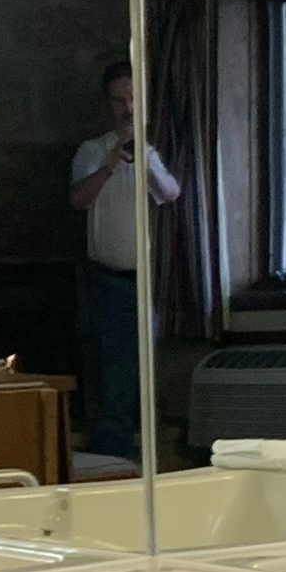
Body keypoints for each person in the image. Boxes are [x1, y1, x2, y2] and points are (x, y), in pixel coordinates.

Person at [70, 59, 177, 461]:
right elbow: (77, 200)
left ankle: (140, 454)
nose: (127, 108)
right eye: (119, 100)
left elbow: (171, 194)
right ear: (108, 104)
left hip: (144, 280)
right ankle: (112, 456)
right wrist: (109, 166)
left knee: (142, 371)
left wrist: (144, 162)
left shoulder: (148, 151)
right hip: (109, 279)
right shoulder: (91, 152)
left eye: (133, 98)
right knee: (115, 370)